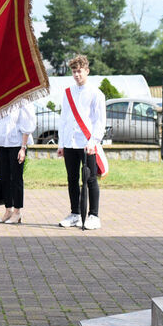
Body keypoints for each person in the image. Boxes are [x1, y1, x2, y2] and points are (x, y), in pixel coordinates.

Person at [57, 55, 106, 230]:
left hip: (87, 144)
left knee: (90, 179)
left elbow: (100, 121)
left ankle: (94, 215)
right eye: (74, 71)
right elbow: (63, 119)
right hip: (70, 143)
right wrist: (61, 143)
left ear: (87, 71)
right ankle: (75, 213)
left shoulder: (96, 93)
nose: (77, 75)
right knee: (72, 179)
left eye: (79, 71)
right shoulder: (68, 92)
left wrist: (93, 141)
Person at [0, 100, 36, 224]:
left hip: (16, 143)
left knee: (16, 178)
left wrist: (23, 148)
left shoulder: (23, 101)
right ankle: (8, 210)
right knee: (4, 178)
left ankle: (17, 212)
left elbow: (27, 125)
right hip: (1, 144)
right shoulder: (3, 97)